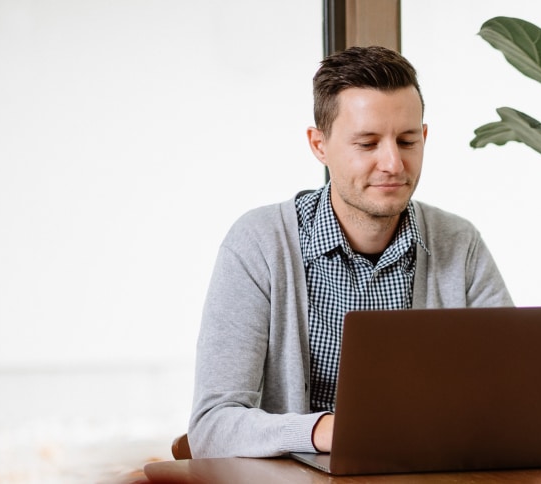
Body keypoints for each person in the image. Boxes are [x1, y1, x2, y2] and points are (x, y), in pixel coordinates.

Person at [188, 46, 514, 458]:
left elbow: (512, 396)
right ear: (319, 145)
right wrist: (325, 430)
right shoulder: (259, 244)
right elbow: (211, 427)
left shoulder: (460, 243)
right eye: (367, 143)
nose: (393, 163)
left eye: (407, 141)